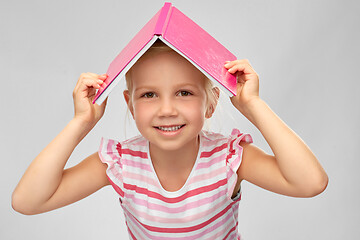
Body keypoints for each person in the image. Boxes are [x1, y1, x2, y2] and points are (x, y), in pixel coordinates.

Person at [12, 41, 328, 239]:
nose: (166, 109)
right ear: (130, 104)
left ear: (211, 102)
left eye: (184, 93)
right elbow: (28, 201)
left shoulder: (229, 158)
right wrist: (80, 123)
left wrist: (253, 105)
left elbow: (310, 183)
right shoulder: (121, 163)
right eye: (149, 94)